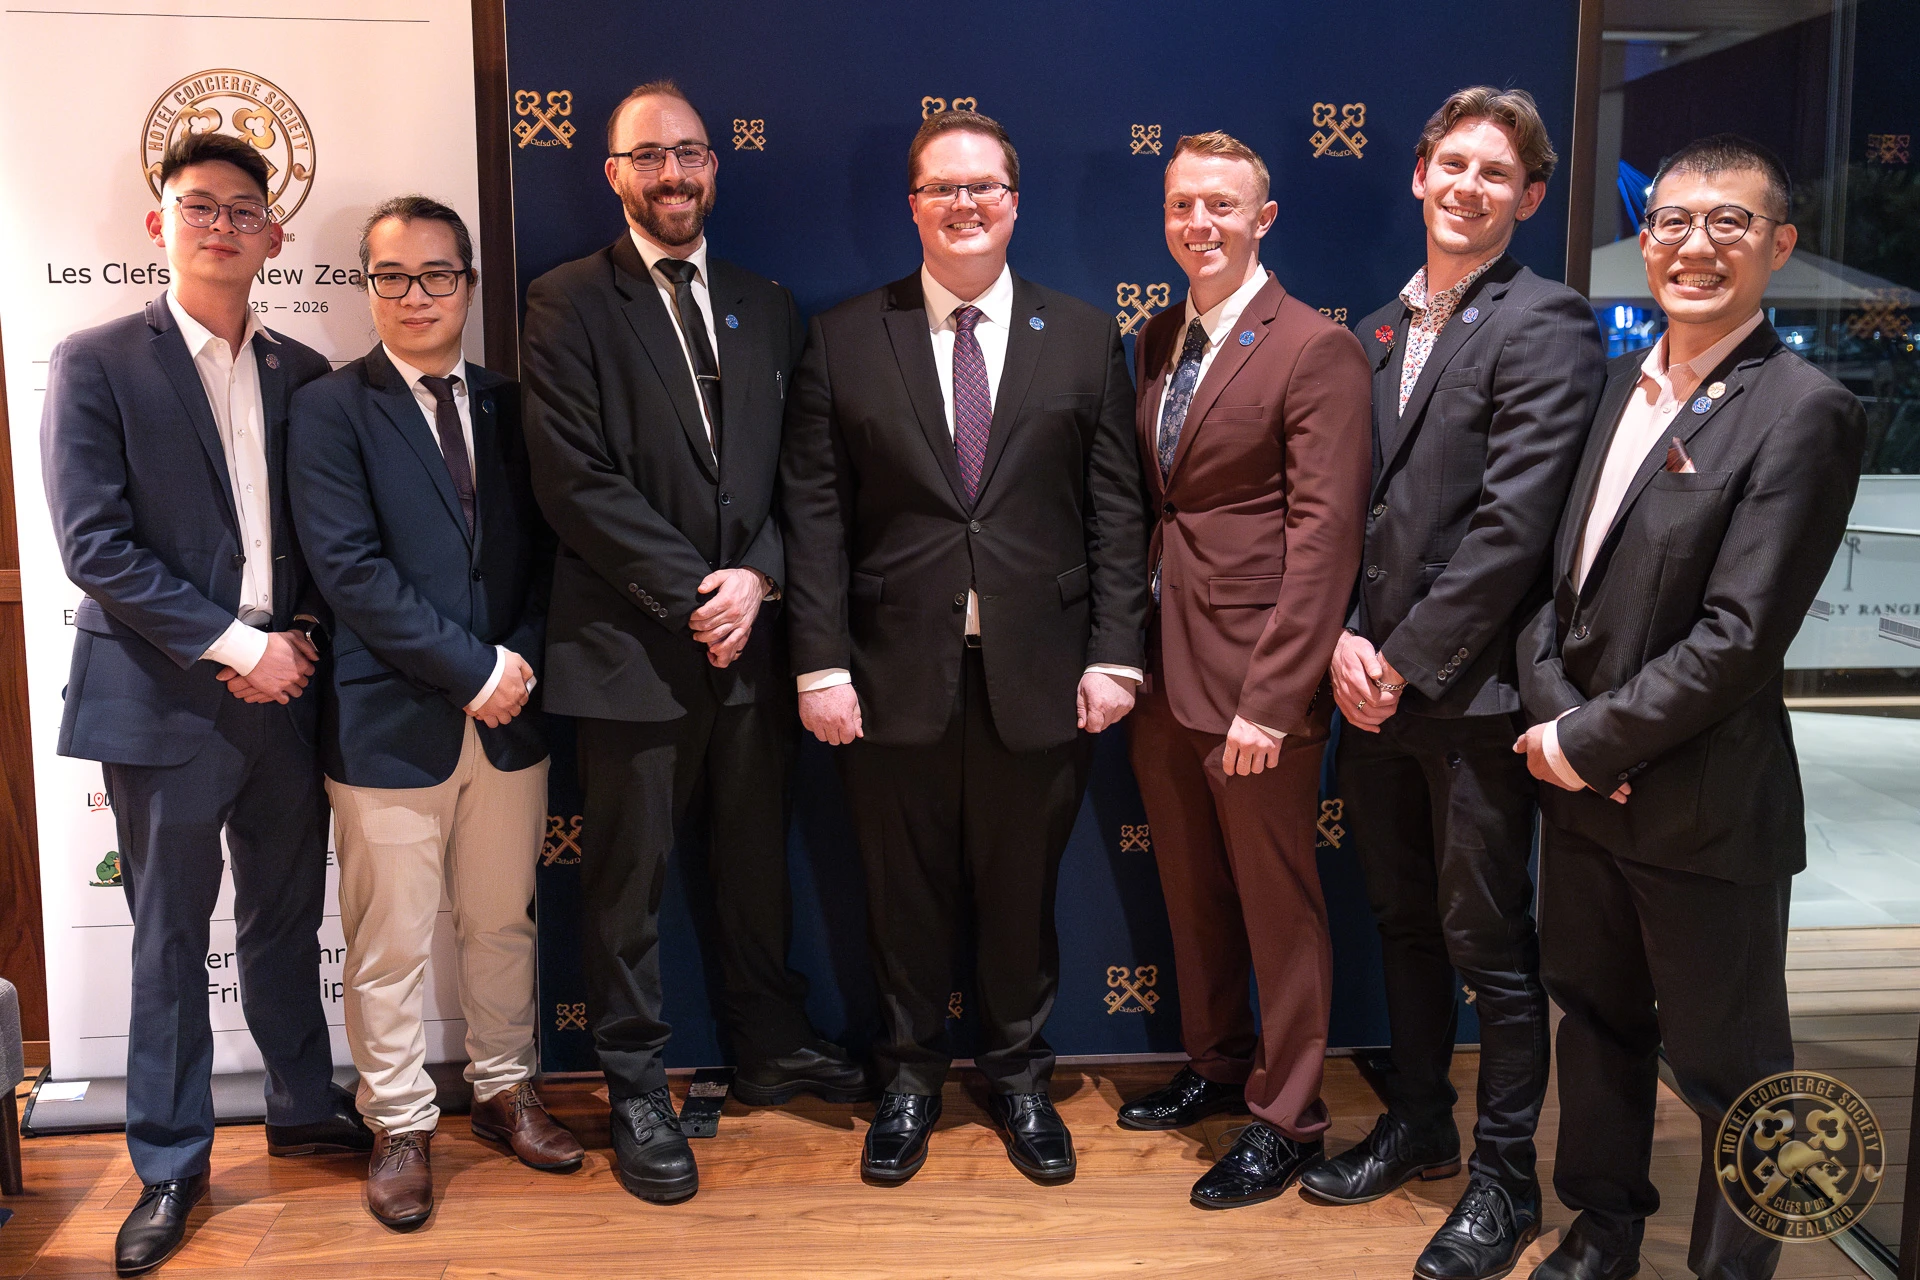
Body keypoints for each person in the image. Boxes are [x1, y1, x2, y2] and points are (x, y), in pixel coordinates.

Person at [1514, 135, 1865, 1280]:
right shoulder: (1618, 383)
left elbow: (1739, 639)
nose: (1696, 244)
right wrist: (1561, 729)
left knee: (1737, 1077)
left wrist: (1585, 739)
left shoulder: (1804, 410)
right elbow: (1556, 590)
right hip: (1584, 797)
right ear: (1644, 236)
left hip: (1707, 814)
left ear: (1779, 245)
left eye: (1729, 222)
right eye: (1672, 220)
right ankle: (1601, 1231)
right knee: (1596, 1026)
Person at [781, 109, 1149, 1185]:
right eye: (943, 187)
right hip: (887, 676)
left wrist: (1116, 652)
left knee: (1021, 893)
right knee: (901, 894)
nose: (965, 204)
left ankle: (1020, 1075)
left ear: (1015, 202)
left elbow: (1114, 512)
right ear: (913, 206)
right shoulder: (846, 337)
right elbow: (816, 516)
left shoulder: (1082, 335)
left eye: (984, 185)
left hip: (1043, 676)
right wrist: (820, 663)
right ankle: (908, 1076)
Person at [521, 80, 865, 1205]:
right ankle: (634, 1087)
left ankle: (769, 1044)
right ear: (613, 173)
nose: (672, 174)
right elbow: (573, 480)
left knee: (754, 863)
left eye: (690, 153)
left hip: (753, 643)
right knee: (628, 888)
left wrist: (757, 577)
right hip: (630, 649)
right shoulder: (566, 301)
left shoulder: (768, 304)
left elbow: (803, 472)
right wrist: (693, 595)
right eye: (648, 157)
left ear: (715, 166)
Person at [39, 131, 371, 1276]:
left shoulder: (305, 372)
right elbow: (94, 546)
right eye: (199, 206)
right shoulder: (96, 361)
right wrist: (238, 646)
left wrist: (300, 635)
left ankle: (300, 1099)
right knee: (171, 935)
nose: (221, 225)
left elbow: (327, 535)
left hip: (286, 693)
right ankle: (173, 1158)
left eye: (242, 210)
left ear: (275, 236)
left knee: (286, 916)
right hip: (160, 696)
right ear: (161, 223)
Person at [1300, 87, 1605, 1280]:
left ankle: (1504, 1177)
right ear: (1418, 175)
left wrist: (1399, 658)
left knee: (1490, 942)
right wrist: (1341, 641)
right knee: (1401, 922)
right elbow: (1343, 512)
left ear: (1529, 198)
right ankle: (1422, 1124)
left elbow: (1514, 528)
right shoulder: (1379, 328)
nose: (1469, 186)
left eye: (1497, 173)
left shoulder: (1549, 320)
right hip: (1370, 690)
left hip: (1471, 700)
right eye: (1454, 164)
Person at [288, 196, 583, 1229]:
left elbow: (551, 555)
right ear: (368, 286)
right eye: (393, 277)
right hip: (388, 721)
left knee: (502, 921)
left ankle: (504, 1089)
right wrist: (473, 671)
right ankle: (401, 1121)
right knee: (389, 939)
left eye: (437, 274)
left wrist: (520, 663)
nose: (416, 295)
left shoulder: (512, 404)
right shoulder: (329, 409)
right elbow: (350, 571)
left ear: (468, 283)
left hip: (512, 715)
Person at [1117, 131, 1370, 1209]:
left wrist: (1273, 699)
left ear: (1264, 218)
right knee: (1193, 891)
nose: (1200, 223)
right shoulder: (1156, 336)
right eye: (1183, 205)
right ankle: (1217, 1064)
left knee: (1278, 904)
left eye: (1222, 205)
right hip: (1163, 669)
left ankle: (1290, 1115)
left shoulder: (1316, 346)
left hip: (1257, 682)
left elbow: (1325, 539)